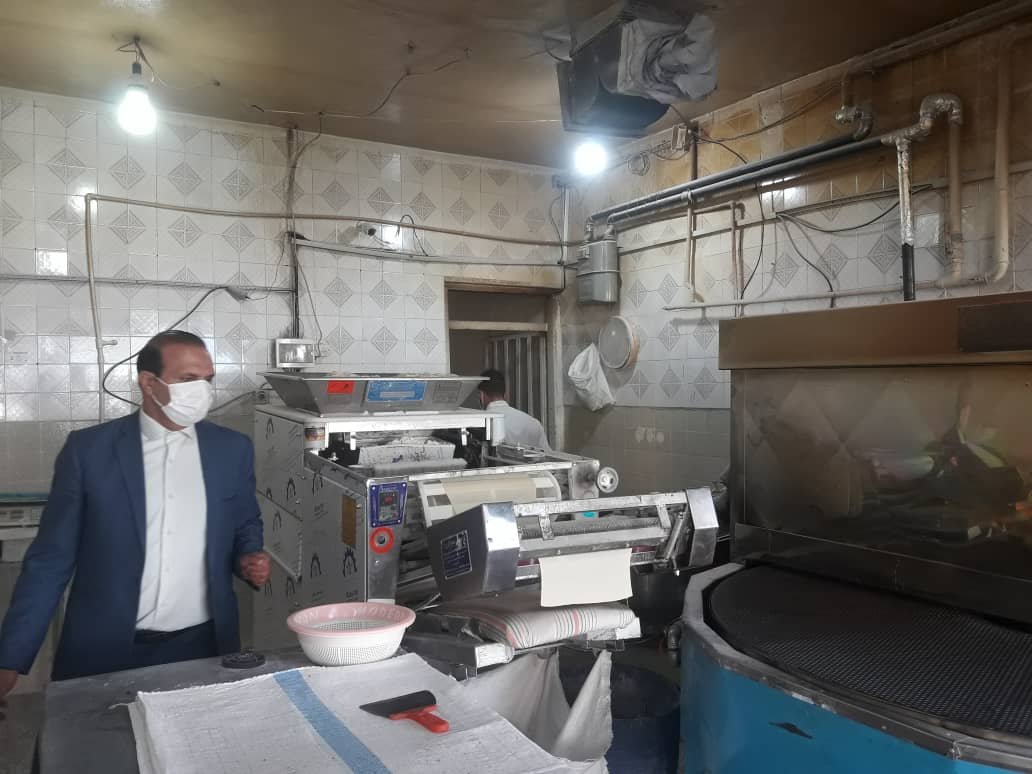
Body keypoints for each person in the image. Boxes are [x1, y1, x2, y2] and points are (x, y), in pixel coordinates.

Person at [0, 331, 270, 704]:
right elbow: (51, 558)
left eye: (207, 380)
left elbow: (244, 521)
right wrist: (10, 656)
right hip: (104, 646)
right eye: (188, 379)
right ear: (148, 382)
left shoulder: (231, 449)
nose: (202, 391)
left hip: (202, 646)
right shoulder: (89, 451)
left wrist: (248, 556)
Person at [478, 368, 551, 451]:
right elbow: (548, 455)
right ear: (506, 394)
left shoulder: (481, 425)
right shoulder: (534, 423)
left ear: (481, 395)